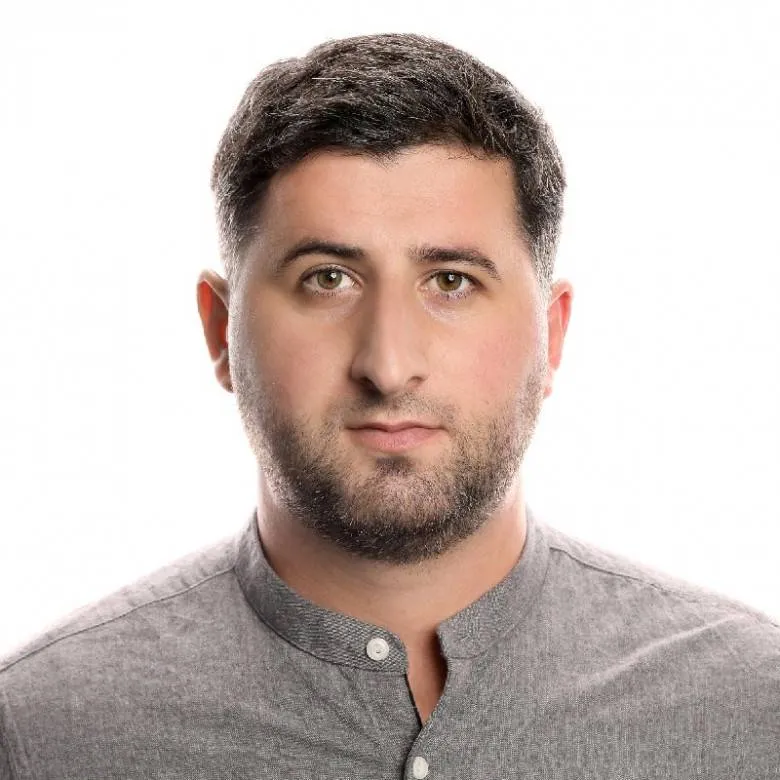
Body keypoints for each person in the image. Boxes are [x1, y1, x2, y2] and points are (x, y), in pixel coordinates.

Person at [1, 31, 777, 779]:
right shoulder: (41, 732)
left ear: (552, 335)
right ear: (220, 331)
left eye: (451, 281)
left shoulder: (752, 710)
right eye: (327, 279)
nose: (389, 364)